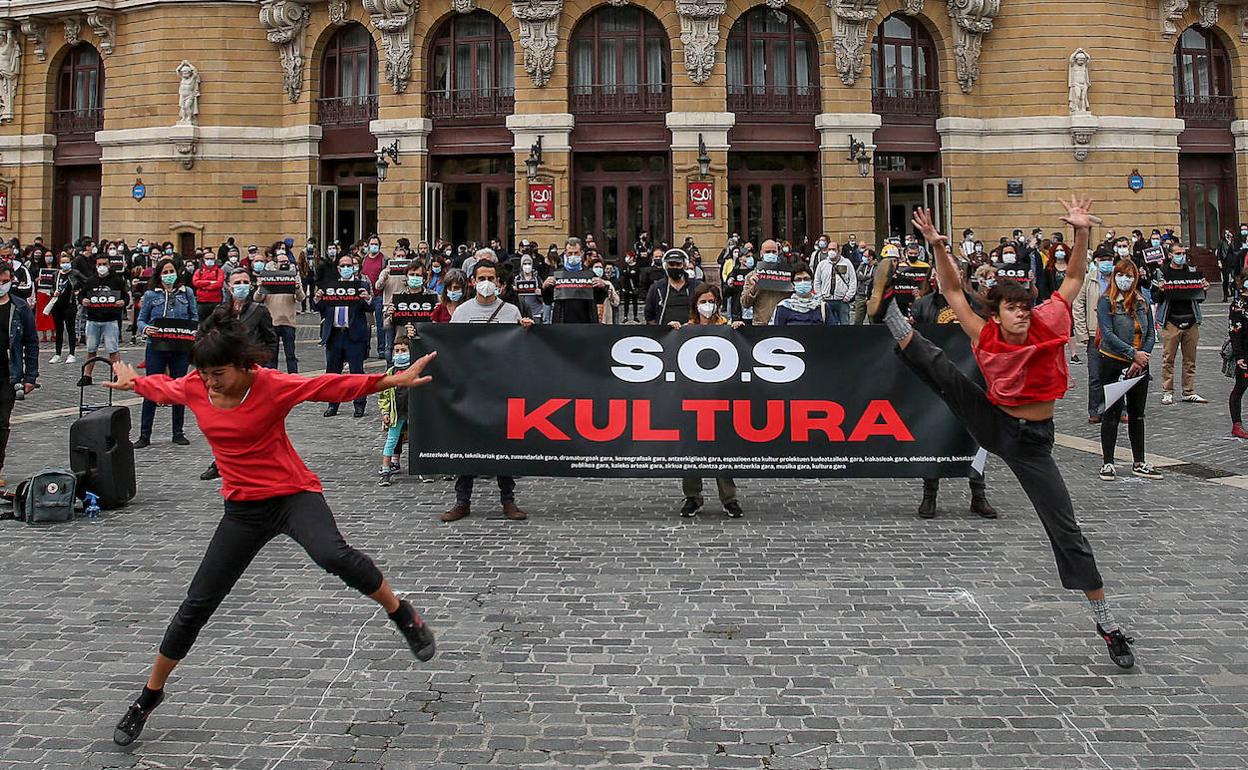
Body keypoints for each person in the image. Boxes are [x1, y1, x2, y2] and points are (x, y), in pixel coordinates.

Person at [105, 316, 438, 747]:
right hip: (243, 509)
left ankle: (402, 613)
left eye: (218, 373)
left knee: (332, 554)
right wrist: (134, 382)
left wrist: (390, 380)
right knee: (197, 604)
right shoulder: (196, 386)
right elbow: (164, 389)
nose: (211, 383)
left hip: (292, 496)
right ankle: (149, 697)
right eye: (204, 374)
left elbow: (327, 386)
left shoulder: (271, 384)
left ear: (243, 365)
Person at [895, 199, 1136, 670]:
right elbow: (953, 291)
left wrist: (1081, 233)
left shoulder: (1048, 320)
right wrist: (938, 246)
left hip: (1032, 443)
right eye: (1012, 309)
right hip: (995, 422)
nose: (1022, 315)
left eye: (1025, 307)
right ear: (998, 313)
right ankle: (894, 324)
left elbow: (1073, 278)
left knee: (1065, 528)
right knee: (947, 375)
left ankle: (1106, 624)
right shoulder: (984, 332)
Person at [442, 261, 534, 523]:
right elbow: (451, 346)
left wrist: (527, 330)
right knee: (467, 443)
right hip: (471, 387)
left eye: (491, 278)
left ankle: (508, 500)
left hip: (502, 387)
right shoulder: (462, 312)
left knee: (503, 443)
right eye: (481, 278)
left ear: (499, 283)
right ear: (473, 282)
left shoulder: (511, 311)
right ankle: (462, 501)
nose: (486, 283)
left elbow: (521, 349)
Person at [910, 267, 998, 520]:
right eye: (940, 272)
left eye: (952, 271)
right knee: (934, 434)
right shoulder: (923, 305)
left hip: (971, 375)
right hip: (936, 375)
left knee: (976, 437)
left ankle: (978, 494)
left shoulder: (977, 304)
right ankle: (929, 494)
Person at [667, 284, 745, 519]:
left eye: (711, 301)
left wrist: (740, 331)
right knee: (691, 449)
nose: (707, 306)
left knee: (722, 450)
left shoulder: (726, 328)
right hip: (693, 400)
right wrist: (673, 332)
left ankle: (729, 498)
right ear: (695, 305)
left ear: (718, 303)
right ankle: (692, 496)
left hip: (721, 399)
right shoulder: (687, 329)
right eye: (703, 301)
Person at [198, 270, 279, 482]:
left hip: (251, 373)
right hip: (226, 375)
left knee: (255, 420)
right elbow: (204, 334)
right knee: (224, 422)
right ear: (229, 286)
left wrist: (264, 365)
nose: (241, 285)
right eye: (237, 282)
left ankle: (257, 461)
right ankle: (220, 462)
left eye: (245, 282)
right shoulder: (220, 311)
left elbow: (271, 340)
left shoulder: (259, 310)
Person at [1096, 259, 1160, 481]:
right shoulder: (1106, 301)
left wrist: (1142, 356)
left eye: (1130, 276)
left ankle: (1139, 461)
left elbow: (1150, 333)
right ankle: (1108, 462)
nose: (1126, 280)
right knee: (1112, 412)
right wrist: (1133, 354)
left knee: (1137, 413)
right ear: (1115, 276)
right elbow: (1107, 334)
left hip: (1140, 363)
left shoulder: (1142, 301)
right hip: (1113, 361)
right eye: (1122, 275)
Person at [135, 258, 199, 448]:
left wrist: (194, 331)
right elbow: (141, 320)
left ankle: (178, 432)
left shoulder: (186, 293)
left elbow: (194, 316)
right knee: (151, 388)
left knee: (179, 388)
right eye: (165, 272)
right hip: (157, 347)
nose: (169, 275)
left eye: (171, 271)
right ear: (159, 275)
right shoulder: (150, 295)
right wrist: (146, 329)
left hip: (180, 346)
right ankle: (145, 434)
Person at [313, 253, 373, 418]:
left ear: (354, 268)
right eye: (343, 266)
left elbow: (370, 308)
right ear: (338, 268)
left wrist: (368, 299)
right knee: (332, 372)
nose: (346, 268)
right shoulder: (330, 285)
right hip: (334, 334)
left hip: (354, 335)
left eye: (349, 265)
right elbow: (318, 307)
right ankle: (333, 404)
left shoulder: (361, 285)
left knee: (357, 372)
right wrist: (317, 299)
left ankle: (359, 404)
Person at [0, 260, 39, 487]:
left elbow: (31, 342)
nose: (2, 285)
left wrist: (30, 376)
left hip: (8, 373)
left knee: (2, 423)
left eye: (5, 281)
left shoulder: (20, 307)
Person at [1155, 243, 1208, 405]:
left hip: (1191, 320)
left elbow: (1199, 297)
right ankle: (1167, 391)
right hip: (1172, 320)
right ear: (1170, 255)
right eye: (1178, 253)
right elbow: (1155, 297)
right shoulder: (1163, 273)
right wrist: (1161, 290)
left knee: (1190, 359)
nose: (1181, 256)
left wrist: (1203, 289)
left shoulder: (1191, 271)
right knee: (1168, 359)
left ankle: (1189, 390)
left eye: (1183, 253)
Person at [1073, 251, 1115, 423]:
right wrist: (1082, 332)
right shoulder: (1089, 279)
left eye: (1109, 259)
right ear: (1096, 261)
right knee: (1095, 375)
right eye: (1102, 260)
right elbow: (1078, 305)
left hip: (1116, 332)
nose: (1106, 263)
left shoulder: (1119, 278)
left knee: (1116, 373)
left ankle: (1118, 408)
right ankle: (1095, 409)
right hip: (1094, 332)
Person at [77, 253, 130, 387]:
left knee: (113, 349)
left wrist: (123, 302)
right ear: (95, 266)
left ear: (109, 265)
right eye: (99, 264)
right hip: (93, 319)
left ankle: (118, 375)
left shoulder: (117, 280)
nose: (102, 267)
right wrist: (83, 300)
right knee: (91, 349)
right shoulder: (90, 281)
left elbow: (125, 296)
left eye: (104, 264)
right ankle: (87, 375)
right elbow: (81, 295)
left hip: (111, 320)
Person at [254, 252, 305, 373]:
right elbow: (257, 298)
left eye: (286, 262)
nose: (284, 264)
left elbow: (301, 298)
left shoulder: (293, 277)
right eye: (282, 262)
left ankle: (293, 378)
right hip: (272, 323)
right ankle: (271, 378)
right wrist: (260, 288)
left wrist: (297, 288)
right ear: (276, 264)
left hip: (288, 322)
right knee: (272, 357)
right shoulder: (268, 278)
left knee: (291, 355)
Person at [377, 336, 413, 487]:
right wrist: (385, 412)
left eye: (403, 350)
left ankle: (423, 467)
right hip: (396, 413)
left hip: (413, 412)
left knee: (418, 440)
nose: (399, 354)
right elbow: (384, 395)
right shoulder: (390, 373)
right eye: (397, 351)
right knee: (391, 440)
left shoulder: (415, 370)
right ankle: (386, 469)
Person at [740, 240, 791, 325]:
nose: (771, 254)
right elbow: (745, 303)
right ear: (761, 254)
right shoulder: (751, 276)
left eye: (774, 252)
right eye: (767, 252)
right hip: (761, 325)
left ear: (778, 253)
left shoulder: (786, 274)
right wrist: (753, 287)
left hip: (781, 324)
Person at [770, 264, 840, 326]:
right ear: (792, 284)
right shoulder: (783, 307)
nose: (802, 282)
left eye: (806, 279)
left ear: (812, 282)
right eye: (798, 280)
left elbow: (832, 332)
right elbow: (777, 332)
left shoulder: (822, 307)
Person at [644, 249, 696, 326]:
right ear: (665, 266)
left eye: (678, 264)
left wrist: (693, 323)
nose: (675, 267)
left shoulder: (696, 286)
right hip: (665, 331)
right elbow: (649, 315)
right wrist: (661, 328)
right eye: (671, 264)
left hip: (691, 330)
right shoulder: (656, 288)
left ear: (685, 265)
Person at [47, 253, 81, 364]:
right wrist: (53, 292)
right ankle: (57, 354)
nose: (65, 264)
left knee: (70, 329)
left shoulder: (75, 273)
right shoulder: (56, 274)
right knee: (59, 329)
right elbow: (51, 287)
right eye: (63, 262)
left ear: (70, 262)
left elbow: (85, 282)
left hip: (70, 305)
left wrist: (79, 291)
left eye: (67, 262)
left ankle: (71, 354)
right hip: (57, 305)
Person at [812, 242, 857, 323]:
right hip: (826, 300)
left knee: (844, 324)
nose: (831, 251)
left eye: (833, 249)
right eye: (829, 249)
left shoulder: (847, 263)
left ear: (839, 251)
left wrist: (848, 296)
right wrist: (820, 296)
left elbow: (853, 280)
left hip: (842, 301)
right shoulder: (822, 264)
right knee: (827, 324)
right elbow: (817, 281)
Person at [1228, 274, 1248, 439]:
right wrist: (1239, 356)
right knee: (1241, 386)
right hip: (1245, 352)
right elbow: (1235, 331)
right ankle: (1237, 424)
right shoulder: (1238, 305)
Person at [192, 251, 225, 320]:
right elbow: (195, 282)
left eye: (211, 258)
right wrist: (210, 282)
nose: (209, 260)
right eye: (207, 258)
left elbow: (219, 284)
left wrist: (203, 286)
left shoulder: (219, 271)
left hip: (215, 301)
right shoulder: (198, 271)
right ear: (203, 259)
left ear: (215, 259)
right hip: (201, 301)